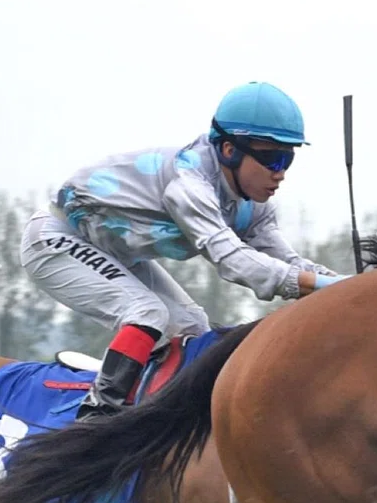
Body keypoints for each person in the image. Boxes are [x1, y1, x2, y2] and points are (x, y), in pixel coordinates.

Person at [21, 82, 342, 417]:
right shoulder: (189, 184)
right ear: (230, 150)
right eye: (273, 158)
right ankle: (94, 419)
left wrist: (346, 284)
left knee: (193, 328)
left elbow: (288, 263)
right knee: (148, 313)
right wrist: (319, 286)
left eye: (288, 159)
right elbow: (233, 262)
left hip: (113, 253)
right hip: (56, 239)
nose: (281, 174)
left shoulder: (253, 205)